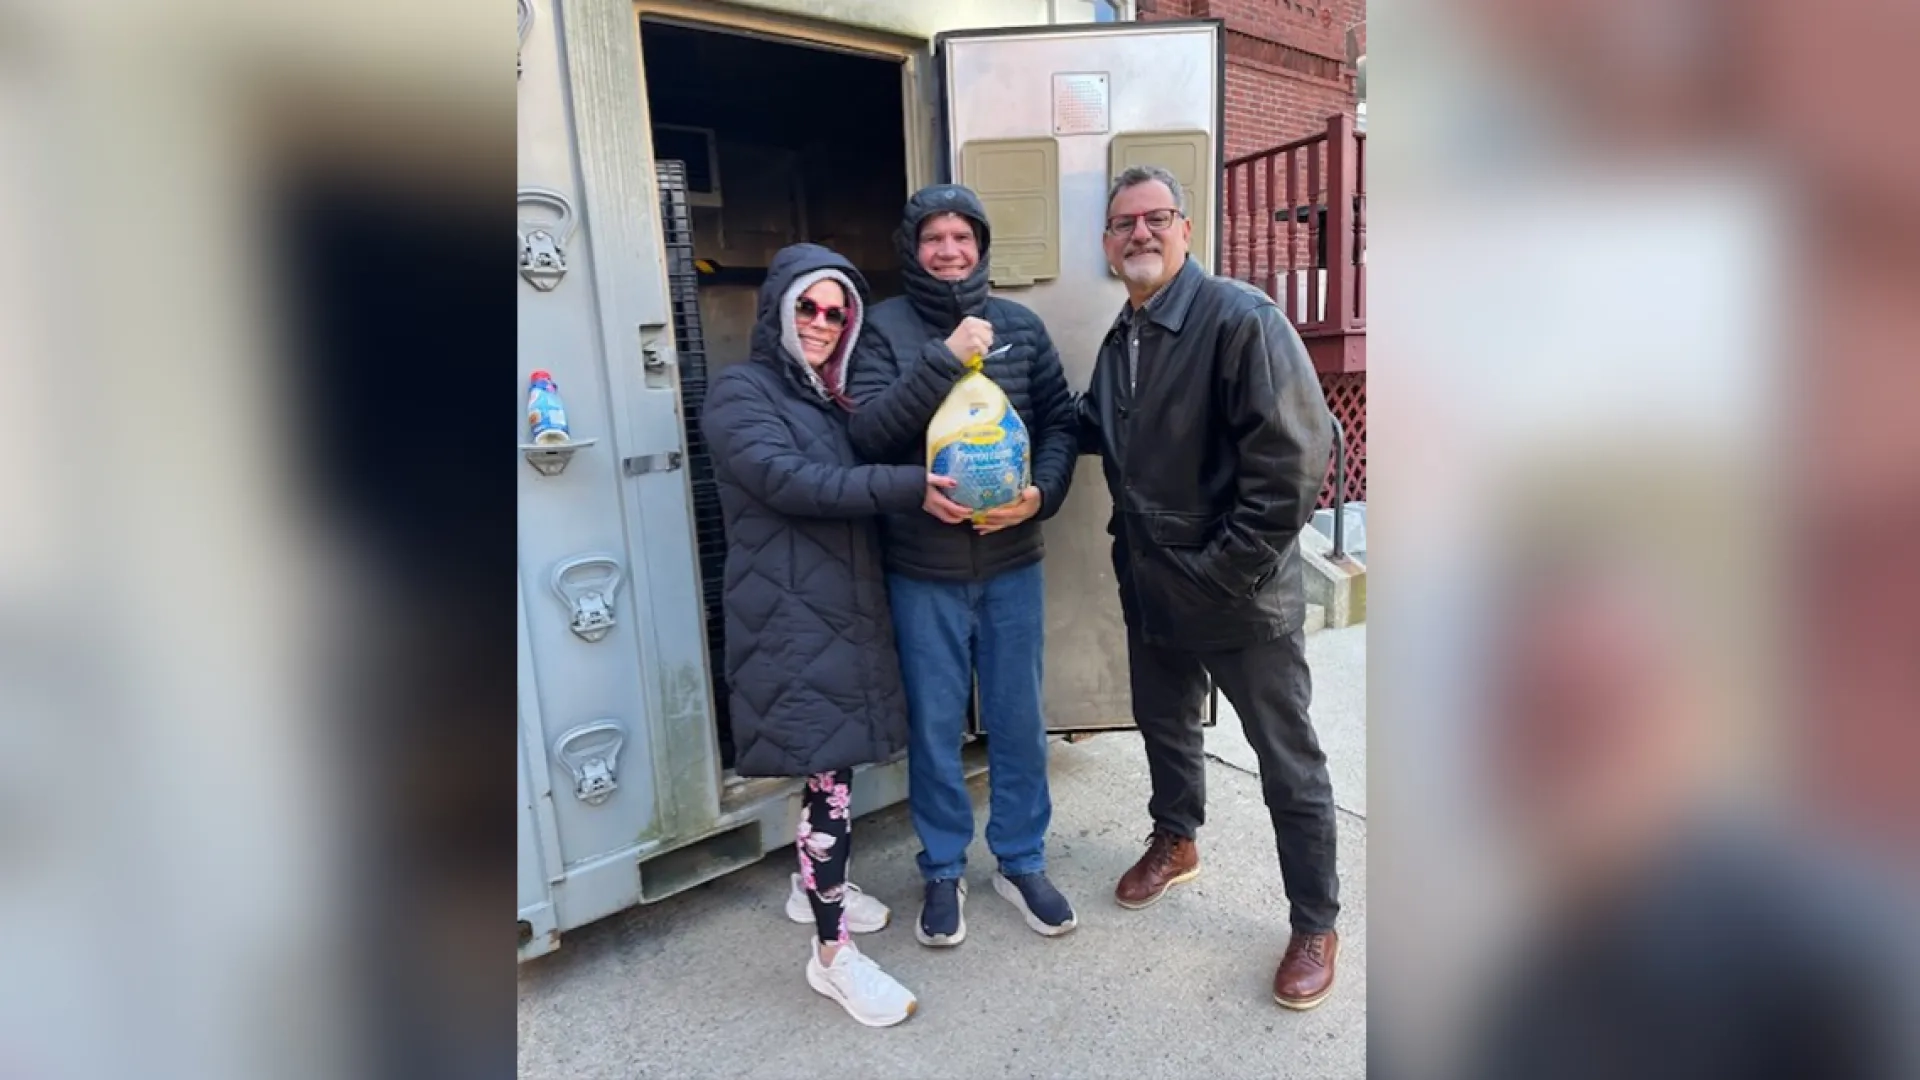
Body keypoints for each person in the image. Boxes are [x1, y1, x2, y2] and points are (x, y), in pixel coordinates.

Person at [1076, 165, 1341, 1009]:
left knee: (1286, 762)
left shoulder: (1241, 319)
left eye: (1156, 218)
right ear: (1108, 246)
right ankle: (1176, 841)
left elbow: (1294, 463)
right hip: (1151, 583)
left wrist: (1223, 572)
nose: (1139, 234)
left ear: (1186, 229)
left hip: (1237, 594)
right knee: (1165, 726)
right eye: (1123, 224)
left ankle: (1314, 919)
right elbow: (1093, 425)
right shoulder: (1124, 338)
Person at [701, 242, 958, 1027]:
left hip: (833, 610)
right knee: (830, 783)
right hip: (785, 617)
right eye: (808, 306)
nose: (822, 321)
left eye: (837, 311)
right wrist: (915, 488)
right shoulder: (739, 393)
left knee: (831, 761)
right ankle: (832, 956)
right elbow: (793, 482)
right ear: (777, 308)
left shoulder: (827, 399)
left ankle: (808, 886)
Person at [846, 184, 1080, 946]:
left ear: (981, 246)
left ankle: (1020, 860)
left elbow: (1059, 426)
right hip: (922, 569)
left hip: (1013, 560)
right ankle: (942, 868)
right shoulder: (881, 330)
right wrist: (943, 361)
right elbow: (871, 436)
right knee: (937, 728)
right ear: (911, 248)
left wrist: (1040, 495)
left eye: (962, 237)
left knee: (1018, 723)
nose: (949, 250)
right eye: (933, 237)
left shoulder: (1021, 326)